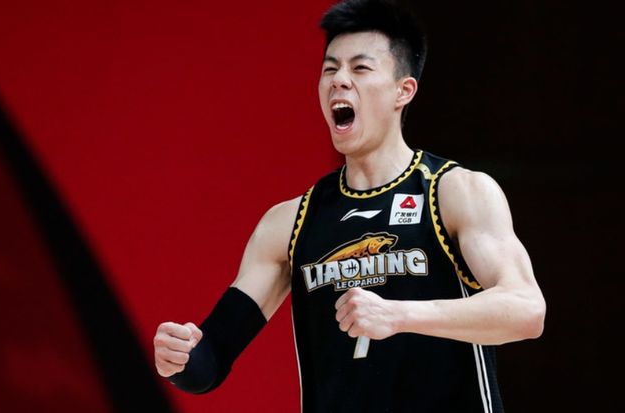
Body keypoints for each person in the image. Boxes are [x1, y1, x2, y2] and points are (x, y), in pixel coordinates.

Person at [152, 0, 546, 411]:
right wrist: (181, 357)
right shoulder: (291, 221)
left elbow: (526, 310)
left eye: (360, 68)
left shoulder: (454, 191)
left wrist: (399, 316)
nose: (339, 80)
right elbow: (210, 361)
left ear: (403, 91)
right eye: (330, 69)